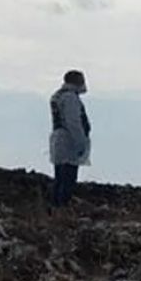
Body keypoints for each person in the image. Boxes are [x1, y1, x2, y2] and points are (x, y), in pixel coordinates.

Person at [49, 70, 91, 207]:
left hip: (59, 141)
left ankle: (55, 209)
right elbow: (74, 122)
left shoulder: (58, 96)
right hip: (68, 142)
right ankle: (61, 209)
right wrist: (81, 143)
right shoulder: (70, 98)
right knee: (68, 179)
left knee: (60, 177)